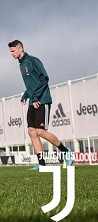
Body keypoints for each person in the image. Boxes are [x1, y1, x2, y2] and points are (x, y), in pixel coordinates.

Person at [8, 40, 72, 170]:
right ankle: (42, 164)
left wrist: (36, 96)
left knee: (40, 131)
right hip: (33, 100)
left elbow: (44, 78)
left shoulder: (32, 60)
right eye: (10, 52)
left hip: (42, 100)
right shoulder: (21, 65)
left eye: (13, 51)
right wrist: (26, 95)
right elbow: (32, 84)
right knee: (32, 132)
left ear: (21, 49)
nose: (11, 54)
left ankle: (66, 151)